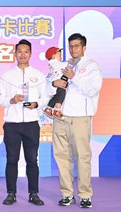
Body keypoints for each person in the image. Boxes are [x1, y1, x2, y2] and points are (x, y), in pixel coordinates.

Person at [49, 33, 102, 208]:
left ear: (84, 48)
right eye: (71, 46)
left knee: (82, 158)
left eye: (77, 46)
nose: (73, 49)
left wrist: (74, 77)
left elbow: (93, 90)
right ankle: (67, 194)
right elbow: (49, 83)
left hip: (80, 119)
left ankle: (85, 195)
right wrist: (53, 83)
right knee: (62, 157)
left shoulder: (91, 66)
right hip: (60, 118)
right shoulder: (65, 65)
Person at [0, 39, 48, 206]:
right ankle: (11, 193)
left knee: (32, 160)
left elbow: (45, 97)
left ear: (30, 54)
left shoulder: (38, 75)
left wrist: (37, 104)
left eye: (26, 51)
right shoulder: (7, 76)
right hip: (12, 123)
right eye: (20, 51)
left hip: (31, 123)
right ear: (15, 53)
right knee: (12, 159)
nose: (23, 55)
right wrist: (11, 100)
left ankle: (34, 193)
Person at [43, 46, 80, 119]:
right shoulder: (56, 63)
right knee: (61, 94)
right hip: (58, 84)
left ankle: (49, 108)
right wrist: (74, 60)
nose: (61, 56)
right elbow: (66, 65)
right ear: (53, 56)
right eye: (59, 55)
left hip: (56, 84)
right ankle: (57, 111)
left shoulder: (52, 64)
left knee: (57, 96)